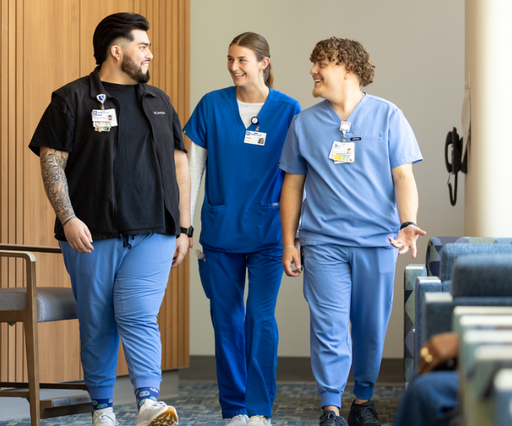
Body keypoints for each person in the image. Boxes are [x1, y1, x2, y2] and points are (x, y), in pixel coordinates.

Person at [28, 12, 190, 426]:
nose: (150, 53)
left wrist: (185, 227)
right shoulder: (72, 99)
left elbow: (179, 163)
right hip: (91, 232)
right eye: (143, 46)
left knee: (138, 315)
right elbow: (52, 162)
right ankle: (102, 408)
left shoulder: (159, 101)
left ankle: (149, 402)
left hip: (154, 230)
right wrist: (67, 218)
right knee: (98, 320)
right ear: (117, 52)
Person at [278, 37, 426, 426]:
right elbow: (292, 186)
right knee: (328, 324)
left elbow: (403, 176)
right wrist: (289, 241)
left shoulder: (388, 116)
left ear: (348, 70)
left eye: (320, 63)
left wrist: (407, 222)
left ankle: (363, 400)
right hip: (322, 241)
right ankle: (330, 407)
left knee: (370, 325)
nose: (312, 70)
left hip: (377, 240)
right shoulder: (305, 123)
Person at [183, 32, 301, 426]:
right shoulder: (211, 106)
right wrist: (185, 226)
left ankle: (260, 411)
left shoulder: (288, 110)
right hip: (220, 232)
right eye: (230, 59)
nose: (234, 67)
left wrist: (295, 235)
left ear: (264, 63)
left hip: (269, 233)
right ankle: (234, 410)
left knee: (260, 319)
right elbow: (193, 172)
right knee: (226, 319)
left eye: (243, 60)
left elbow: (297, 178)